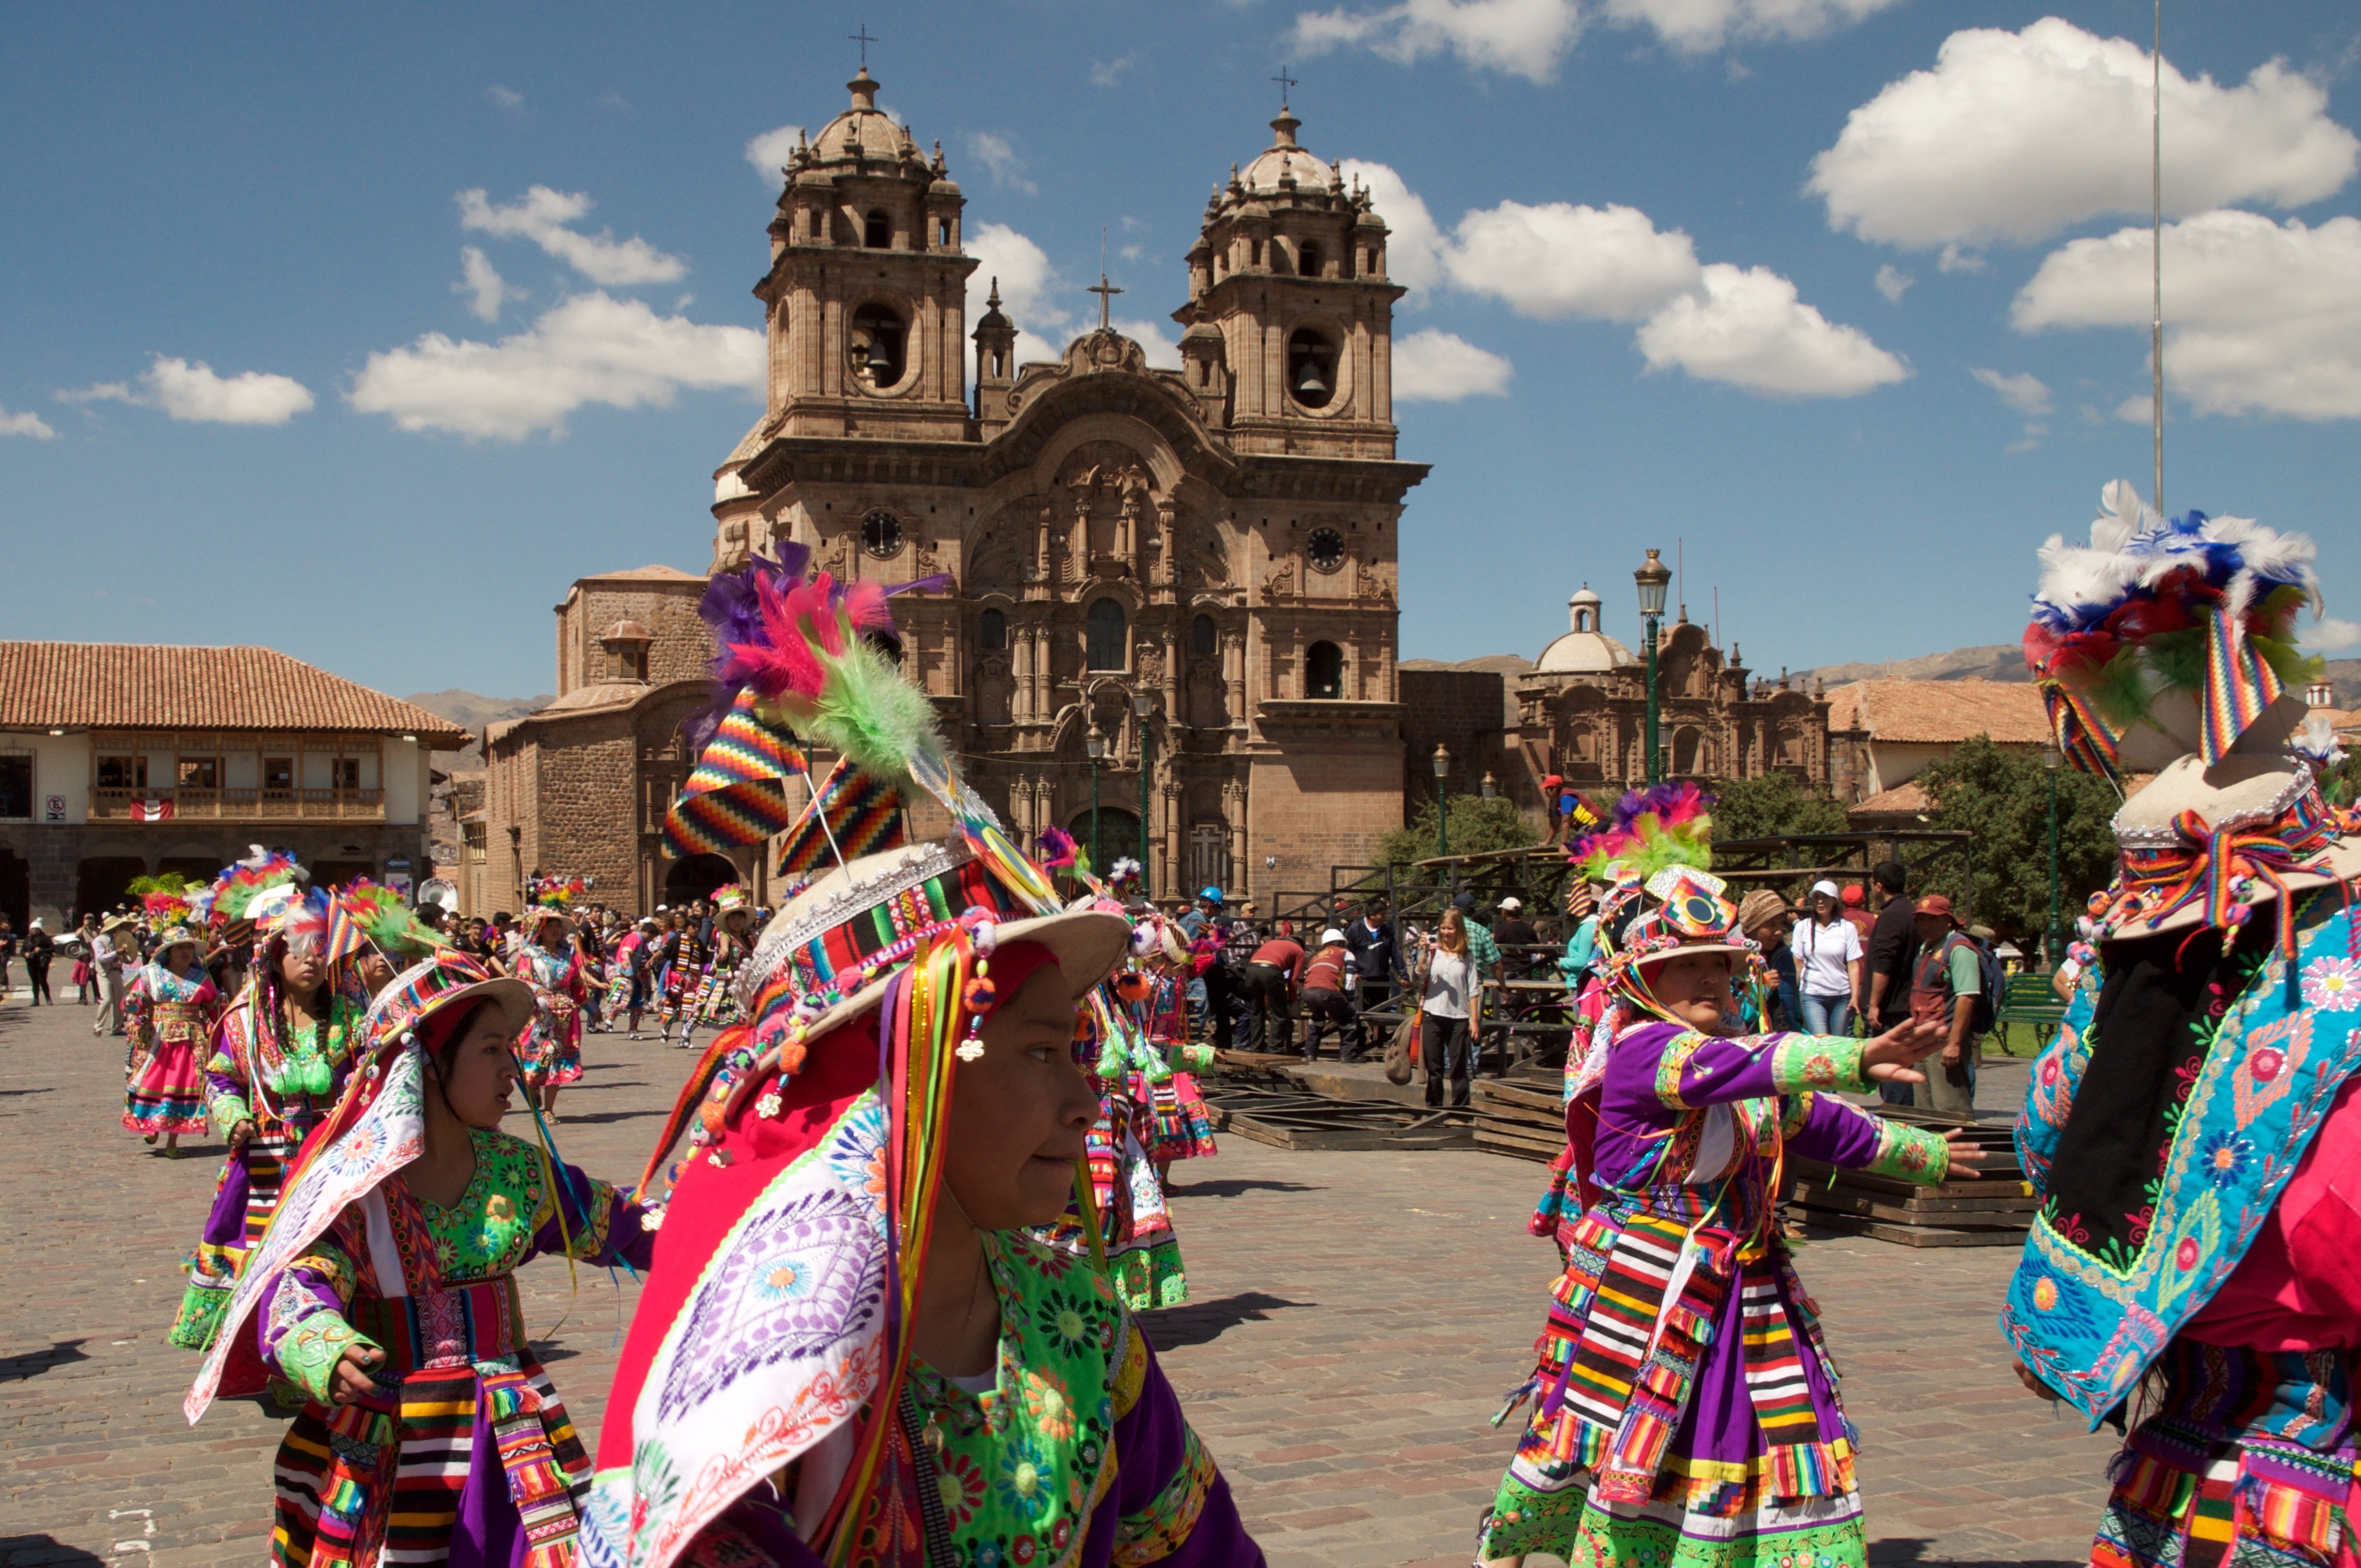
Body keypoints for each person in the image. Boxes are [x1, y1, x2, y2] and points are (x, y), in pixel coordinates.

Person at [583, 539, 1260, 1568]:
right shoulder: (748, 1405)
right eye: (1041, 1052)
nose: (1088, 1103)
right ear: (903, 1074)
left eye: (1077, 1051)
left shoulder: (1082, 1327)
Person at [2001, 483, 2361, 1568]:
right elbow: (2334, 1231)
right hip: (2303, 1463)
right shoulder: (2322, 987)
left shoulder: (2107, 1008)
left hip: (2176, 1458)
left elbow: (2041, 1140)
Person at [1476, 856, 1979, 1568]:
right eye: (1688, 966)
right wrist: (1857, 1053)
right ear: (1645, 982)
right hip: (1648, 1288)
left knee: (1753, 1429)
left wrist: (1926, 1155)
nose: (1711, 978)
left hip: (1744, 1284)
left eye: (1720, 964)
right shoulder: (1645, 1051)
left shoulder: (1731, 1064)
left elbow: (1823, 1123)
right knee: (1610, 1425)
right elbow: (1756, 1063)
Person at [182, 950, 658, 1568]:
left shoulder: (518, 1174)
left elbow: (624, 1227)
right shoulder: (355, 1192)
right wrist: (320, 1340)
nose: (512, 1069)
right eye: (490, 1049)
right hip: (394, 1436)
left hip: (505, 1434)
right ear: (425, 1063)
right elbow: (296, 1284)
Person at [170, 875, 368, 1352]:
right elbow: (220, 1076)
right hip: (264, 1162)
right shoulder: (244, 1020)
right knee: (264, 1255)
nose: (311, 960)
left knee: (327, 1255)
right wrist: (234, 1115)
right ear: (274, 959)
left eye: (319, 950)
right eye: (298, 951)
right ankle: (269, 1351)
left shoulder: (353, 1015)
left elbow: (371, 1073)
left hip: (329, 1160)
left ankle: (326, 1346)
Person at [122, 916, 222, 1155]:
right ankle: (151, 1126)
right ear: (169, 952)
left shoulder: (202, 979)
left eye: (189, 947)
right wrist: (132, 1002)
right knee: (151, 1082)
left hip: (189, 1042)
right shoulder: (150, 976)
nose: (186, 952)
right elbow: (136, 1004)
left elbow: (213, 1009)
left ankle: (172, 1144)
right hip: (157, 1041)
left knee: (182, 1086)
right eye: (180, 948)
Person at [513, 891, 589, 1119]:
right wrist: (537, 990)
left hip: (565, 1014)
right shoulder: (530, 955)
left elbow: (576, 982)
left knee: (556, 1056)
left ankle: (549, 1109)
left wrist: (591, 1008)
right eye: (550, 927)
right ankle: (534, 1087)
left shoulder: (568, 955)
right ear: (541, 931)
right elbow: (523, 978)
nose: (555, 931)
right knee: (537, 1057)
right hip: (540, 1013)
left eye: (558, 926)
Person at [1906, 894, 1980, 1118]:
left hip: (1944, 1039)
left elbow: (1967, 997)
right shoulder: (1927, 948)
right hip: (1923, 1038)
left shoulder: (1959, 949)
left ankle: (1963, 1151)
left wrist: (1954, 1043)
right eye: (1921, 920)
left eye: (1932, 919)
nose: (1925, 925)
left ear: (1947, 920)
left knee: (1952, 1109)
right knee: (1924, 1109)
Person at [1862, 862, 1920, 1106]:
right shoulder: (1909, 910)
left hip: (1892, 1007)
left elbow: (1884, 964)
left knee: (1892, 1067)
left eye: (1872, 883)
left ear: (1879, 885)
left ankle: (1898, 1116)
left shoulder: (1891, 916)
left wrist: (1874, 1004)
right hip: (1903, 1004)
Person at [1416, 908, 1479, 1108]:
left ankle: (1461, 1106)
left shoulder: (1467, 956)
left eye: (1450, 928)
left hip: (1458, 1016)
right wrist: (1423, 952)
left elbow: (1473, 989)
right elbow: (1420, 974)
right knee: (1435, 1067)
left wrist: (1474, 1020)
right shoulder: (1434, 951)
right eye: (1443, 928)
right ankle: (1434, 1105)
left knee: (1458, 1066)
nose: (1446, 932)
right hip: (1433, 1013)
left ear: (1458, 929)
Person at [1790, 879, 1864, 1037]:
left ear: (1835, 901)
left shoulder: (1847, 928)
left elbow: (1853, 965)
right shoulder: (1802, 927)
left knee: (1837, 1042)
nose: (1821, 902)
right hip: (1812, 994)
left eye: (1826, 897)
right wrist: (1792, 994)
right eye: (1817, 897)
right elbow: (1797, 963)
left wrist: (1855, 996)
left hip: (1841, 995)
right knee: (1821, 1042)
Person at [1343, 899, 1406, 1058]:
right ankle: (1359, 1045)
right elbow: (1347, 952)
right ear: (1372, 915)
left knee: (1382, 1012)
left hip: (1381, 978)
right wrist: (1354, 971)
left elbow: (1395, 953)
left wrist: (1403, 974)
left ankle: (1378, 1043)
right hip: (1362, 980)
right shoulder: (1355, 930)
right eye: (1381, 914)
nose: (1384, 918)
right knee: (1360, 1013)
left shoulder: (1386, 931)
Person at [1455, 891, 1506, 1074]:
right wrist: (1503, 987)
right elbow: (1496, 963)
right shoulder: (1482, 931)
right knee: (1474, 1022)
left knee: (1448, 1021)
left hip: (1451, 980)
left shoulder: (1446, 929)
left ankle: (1448, 1064)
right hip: (1474, 980)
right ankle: (1470, 1066)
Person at [1235, 924, 1305, 1052]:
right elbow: (1292, 980)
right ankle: (1274, 1049)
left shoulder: (1272, 943)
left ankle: (1256, 1046)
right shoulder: (1299, 951)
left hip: (1252, 970)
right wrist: (1294, 1001)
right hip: (1271, 971)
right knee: (1279, 1012)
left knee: (1257, 1010)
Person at [1737, 890, 1798, 1031]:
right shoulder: (1735, 959)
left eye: (1781, 924)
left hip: (1783, 1039)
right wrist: (1763, 988)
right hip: (1750, 1044)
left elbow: (1794, 1005)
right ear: (1752, 926)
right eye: (1771, 925)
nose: (1779, 931)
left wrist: (1798, 1029)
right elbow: (1735, 1013)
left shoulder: (1784, 955)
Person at [1297, 926, 1358, 1062]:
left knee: (1317, 1018)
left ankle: (1310, 1053)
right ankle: (1348, 1055)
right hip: (1327, 991)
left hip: (1308, 992)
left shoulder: (1316, 956)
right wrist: (1349, 999)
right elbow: (1349, 981)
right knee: (1348, 1017)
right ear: (1341, 942)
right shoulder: (1346, 953)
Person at [92, 913, 131, 1037]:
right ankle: (98, 1027)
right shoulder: (99, 940)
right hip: (105, 973)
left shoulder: (116, 940)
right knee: (107, 999)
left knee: (120, 1000)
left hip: (116, 972)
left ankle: (117, 1028)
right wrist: (116, 952)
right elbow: (101, 958)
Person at [23, 917, 54, 1005]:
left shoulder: (46, 938)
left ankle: (48, 998)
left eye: (36, 929)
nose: (34, 931)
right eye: (33, 929)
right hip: (31, 962)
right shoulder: (28, 938)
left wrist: (41, 950)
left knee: (42, 980)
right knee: (34, 981)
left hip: (42, 962)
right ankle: (36, 999)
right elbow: (23, 950)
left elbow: (53, 948)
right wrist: (25, 954)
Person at [74, 912, 101, 1003]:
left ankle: (97, 997)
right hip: (84, 957)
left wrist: (94, 928)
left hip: (93, 956)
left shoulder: (97, 930)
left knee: (94, 978)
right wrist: (84, 926)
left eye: (91, 919)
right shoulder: (83, 930)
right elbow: (77, 935)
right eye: (87, 919)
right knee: (83, 977)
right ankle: (82, 997)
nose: (89, 921)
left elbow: (100, 938)